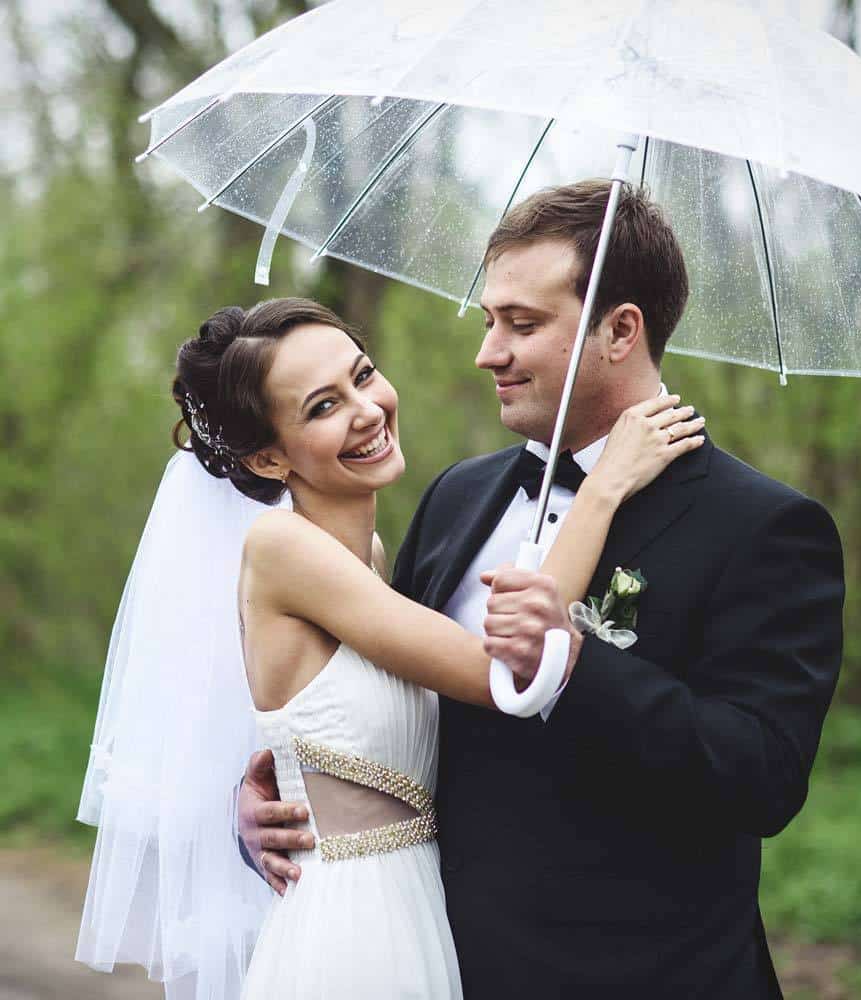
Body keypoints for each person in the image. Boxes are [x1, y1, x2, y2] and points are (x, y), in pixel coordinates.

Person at [242, 181, 846, 998]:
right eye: (491, 319)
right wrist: (284, 799)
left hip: (645, 977)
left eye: (522, 325)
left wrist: (574, 669)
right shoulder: (458, 495)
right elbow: (386, 701)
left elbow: (761, 777)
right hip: (437, 963)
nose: (488, 352)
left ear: (620, 330)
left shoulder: (763, 527)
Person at [76, 294, 705, 999]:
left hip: (421, 908)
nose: (367, 409)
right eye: (322, 406)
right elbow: (501, 669)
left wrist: (277, 780)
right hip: (350, 932)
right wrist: (605, 487)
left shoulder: (371, 559)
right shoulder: (282, 548)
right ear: (267, 455)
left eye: (363, 373)